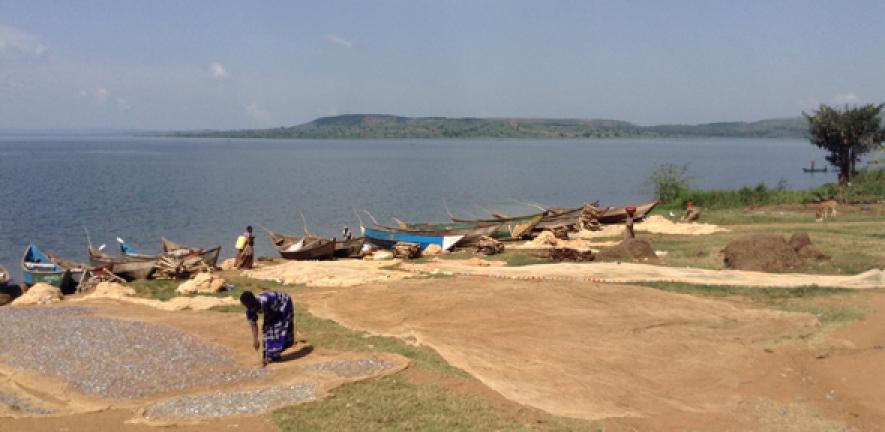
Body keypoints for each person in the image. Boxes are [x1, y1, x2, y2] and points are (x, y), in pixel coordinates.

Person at [240, 290, 295, 365]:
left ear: (254, 300)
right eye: (248, 306)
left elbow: (275, 314)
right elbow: (253, 325)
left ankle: (273, 354)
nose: (251, 308)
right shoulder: (249, 310)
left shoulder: (266, 300)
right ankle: (271, 354)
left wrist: (267, 323)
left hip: (283, 302)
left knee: (278, 326)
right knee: (268, 329)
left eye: (252, 305)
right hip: (272, 310)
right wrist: (255, 340)